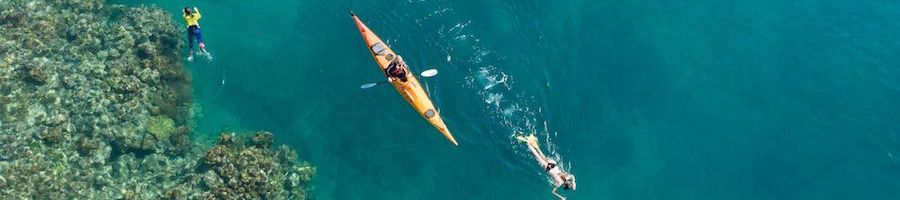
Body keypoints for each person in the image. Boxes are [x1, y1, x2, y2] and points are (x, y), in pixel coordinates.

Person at [516, 134, 576, 200]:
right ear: (565, 185)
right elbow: (553, 192)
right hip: (549, 168)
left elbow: (573, 176)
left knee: (541, 154)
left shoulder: (568, 177)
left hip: (553, 164)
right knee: (537, 156)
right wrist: (561, 197)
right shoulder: (559, 183)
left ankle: (532, 141)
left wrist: (573, 181)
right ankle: (528, 143)